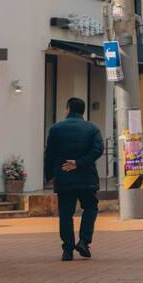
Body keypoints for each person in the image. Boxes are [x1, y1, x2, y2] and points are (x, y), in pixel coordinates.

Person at [44, 97, 104, 261]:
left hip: (64, 177)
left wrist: (49, 175)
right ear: (83, 111)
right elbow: (98, 150)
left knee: (65, 213)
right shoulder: (92, 129)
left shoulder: (56, 128)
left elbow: (49, 154)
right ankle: (84, 241)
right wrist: (79, 163)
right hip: (86, 177)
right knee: (91, 207)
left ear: (68, 109)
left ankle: (67, 250)